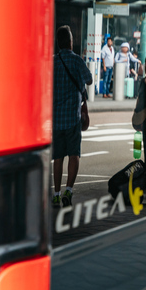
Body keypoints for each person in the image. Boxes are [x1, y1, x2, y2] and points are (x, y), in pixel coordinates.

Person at [53, 25, 93, 207]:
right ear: (70, 42)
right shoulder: (77, 61)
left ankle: (55, 193)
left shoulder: (52, 62)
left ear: (58, 43)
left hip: (56, 119)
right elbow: (89, 79)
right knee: (74, 154)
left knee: (58, 157)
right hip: (73, 118)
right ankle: (68, 191)